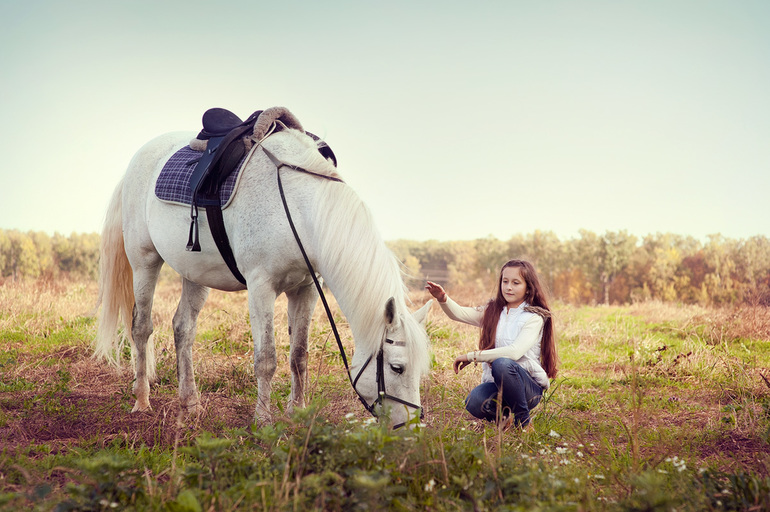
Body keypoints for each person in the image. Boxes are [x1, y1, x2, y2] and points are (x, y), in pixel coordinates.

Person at [425, 259, 557, 429]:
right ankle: (504, 418)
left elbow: (514, 352)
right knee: (474, 401)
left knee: (502, 364)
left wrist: (473, 356)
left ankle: (523, 421)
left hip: (528, 389)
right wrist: (443, 298)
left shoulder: (533, 317)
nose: (508, 287)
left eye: (516, 283)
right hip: (498, 385)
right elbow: (460, 314)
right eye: (505, 281)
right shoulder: (493, 311)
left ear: (528, 287)